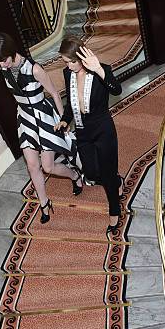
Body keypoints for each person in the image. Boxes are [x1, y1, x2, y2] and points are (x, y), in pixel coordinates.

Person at [0, 32, 83, 224]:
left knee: (47, 167)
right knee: (32, 165)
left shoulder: (35, 69)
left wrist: (64, 121)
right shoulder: (4, 68)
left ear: (11, 52)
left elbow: (55, 94)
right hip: (24, 117)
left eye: (3, 60)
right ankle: (44, 203)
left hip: (43, 116)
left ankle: (74, 175)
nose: (1, 65)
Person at [54, 36, 123, 235]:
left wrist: (100, 70)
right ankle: (116, 181)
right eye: (65, 62)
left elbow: (117, 89)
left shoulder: (101, 70)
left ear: (82, 58)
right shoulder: (68, 73)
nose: (68, 66)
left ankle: (114, 211)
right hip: (83, 131)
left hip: (103, 129)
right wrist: (65, 119)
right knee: (91, 173)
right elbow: (70, 102)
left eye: (71, 62)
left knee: (107, 175)